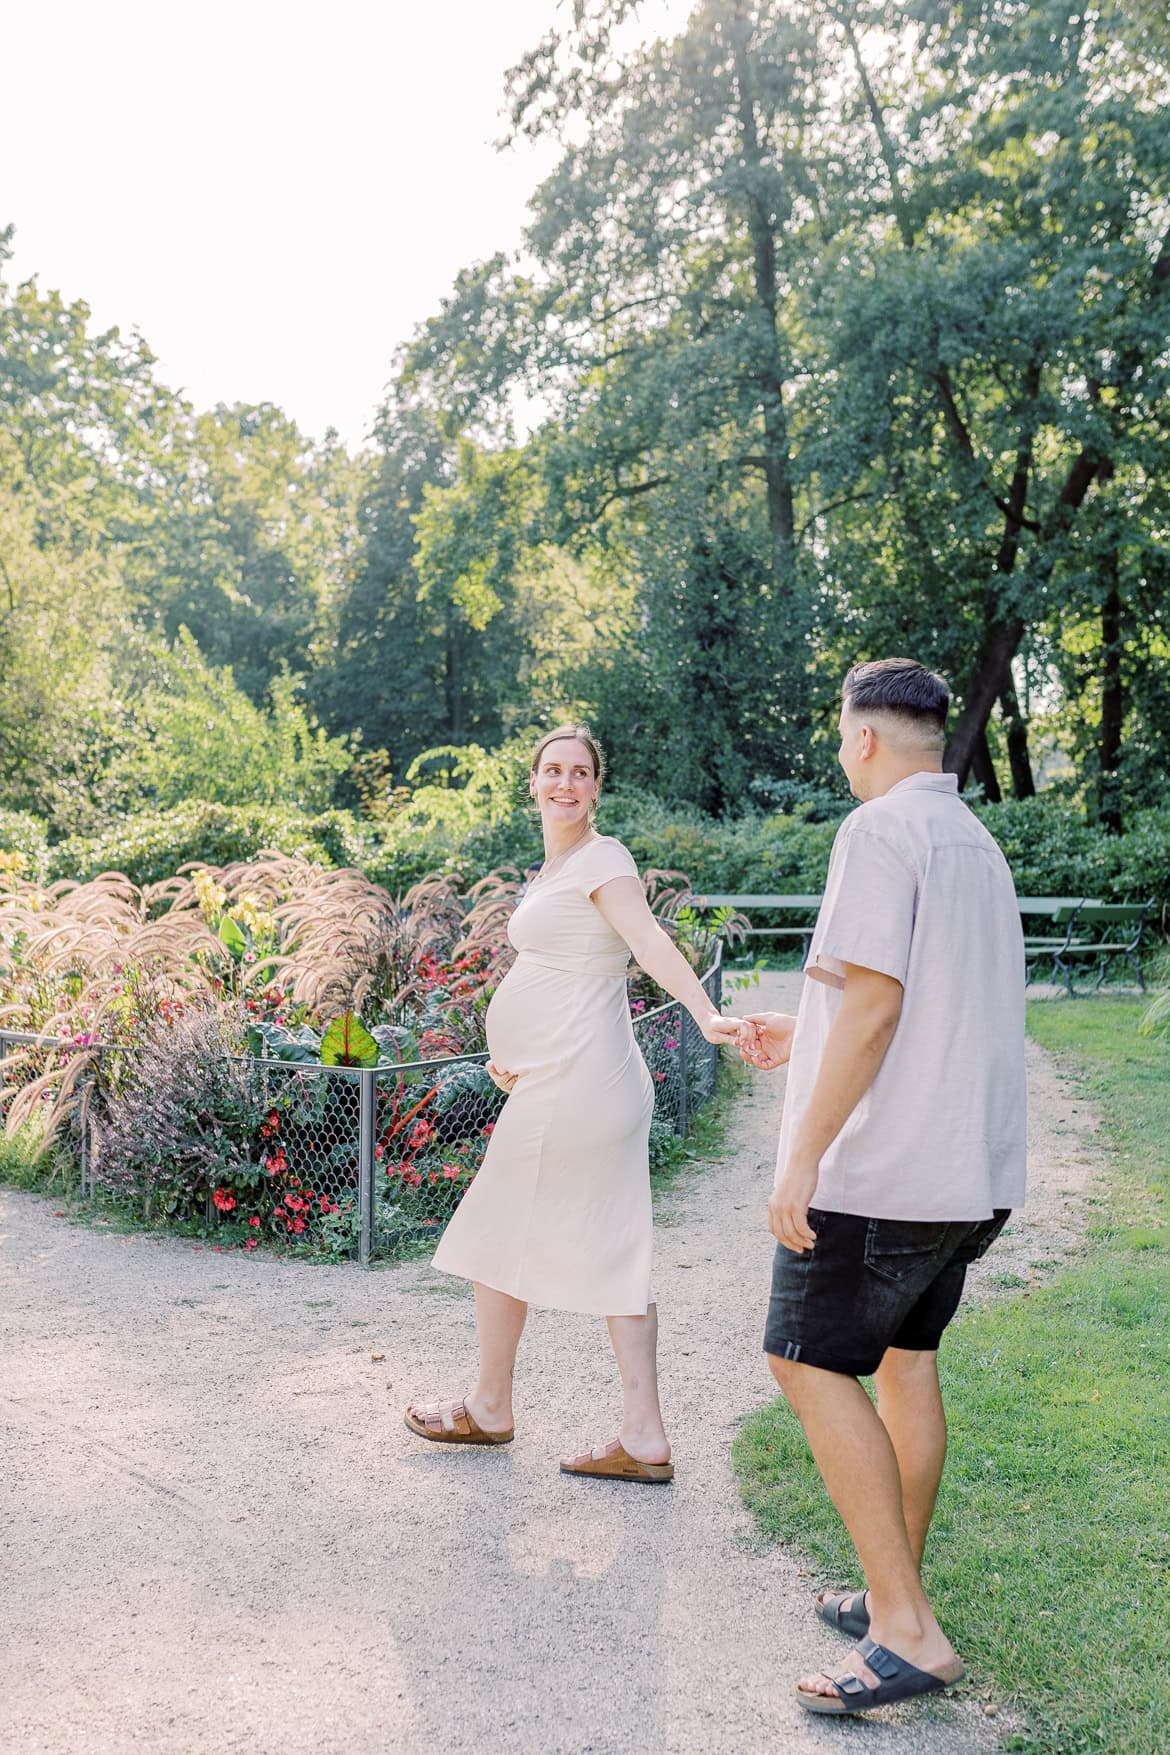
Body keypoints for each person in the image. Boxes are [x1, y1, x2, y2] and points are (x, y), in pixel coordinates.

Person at [739, 658, 1026, 1717]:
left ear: (862, 738)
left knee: (803, 1360)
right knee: (906, 1364)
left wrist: (803, 1157)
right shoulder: (973, 842)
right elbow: (890, 1000)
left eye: (839, 738)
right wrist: (794, 1028)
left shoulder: (876, 831)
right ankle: (884, 1594)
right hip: (969, 1172)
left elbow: (874, 1010)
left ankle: (907, 1632)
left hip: (890, 1172)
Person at [405, 724, 742, 1481]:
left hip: (577, 1085)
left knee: (498, 1230)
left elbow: (647, 941)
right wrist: (513, 1048)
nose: (565, 782)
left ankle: (491, 1407)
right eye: (552, 770)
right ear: (533, 782)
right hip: (577, 1076)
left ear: (597, 785)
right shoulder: (557, 866)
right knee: (615, 1246)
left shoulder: (604, 859)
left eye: (580, 772)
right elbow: (572, 975)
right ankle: (644, 1434)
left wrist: (703, 1013)